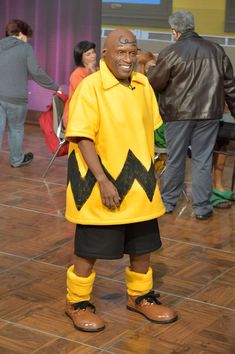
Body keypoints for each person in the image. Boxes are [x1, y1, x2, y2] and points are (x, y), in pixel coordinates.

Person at [65, 28, 177, 332]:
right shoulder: (91, 87)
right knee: (90, 247)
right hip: (100, 183)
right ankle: (77, 302)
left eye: (132, 52)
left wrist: (158, 162)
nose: (127, 59)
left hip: (139, 183)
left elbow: (154, 128)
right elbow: (82, 136)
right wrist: (102, 180)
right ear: (105, 54)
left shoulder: (142, 85)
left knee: (143, 245)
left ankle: (140, 296)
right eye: (120, 52)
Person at [148, 10, 235, 220]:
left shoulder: (170, 52)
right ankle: (203, 208)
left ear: (175, 31)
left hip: (177, 115)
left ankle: (168, 202)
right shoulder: (216, 50)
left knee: (175, 159)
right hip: (209, 115)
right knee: (203, 160)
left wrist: (150, 71)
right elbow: (230, 86)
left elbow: (155, 83)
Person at [0, 19, 60, 167]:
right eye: (26, 36)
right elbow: (36, 72)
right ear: (20, 34)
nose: (27, 40)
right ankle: (16, 160)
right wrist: (54, 86)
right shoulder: (25, 48)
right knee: (16, 129)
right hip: (17, 99)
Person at [63, 40, 98, 127]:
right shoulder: (77, 74)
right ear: (81, 58)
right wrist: (93, 72)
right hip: (77, 114)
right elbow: (87, 96)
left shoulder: (98, 69)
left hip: (91, 111)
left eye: (93, 52)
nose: (93, 56)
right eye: (88, 54)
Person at [210, 105, 235, 208]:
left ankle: (218, 186)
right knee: (209, 148)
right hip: (208, 111)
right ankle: (205, 191)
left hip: (226, 112)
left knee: (222, 145)